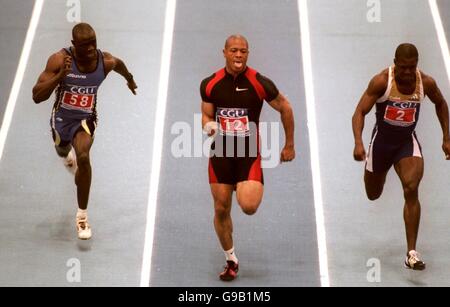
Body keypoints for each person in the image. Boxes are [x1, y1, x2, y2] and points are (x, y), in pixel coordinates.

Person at [200, 34, 295, 281]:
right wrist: (209, 126)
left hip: (248, 155)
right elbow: (206, 115)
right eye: (234, 50)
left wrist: (289, 144)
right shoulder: (210, 84)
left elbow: (285, 107)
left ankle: (241, 186)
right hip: (221, 153)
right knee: (221, 209)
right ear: (224, 53)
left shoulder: (259, 82)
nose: (239, 55)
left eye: (243, 51)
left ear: (248, 54)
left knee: (249, 206)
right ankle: (231, 259)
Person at [32, 23, 137, 240]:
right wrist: (60, 76)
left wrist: (130, 79)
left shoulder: (105, 62)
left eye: (93, 44)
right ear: (73, 45)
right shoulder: (60, 60)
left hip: (85, 119)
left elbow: (120, 65)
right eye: (84, 46)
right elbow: (37, 96)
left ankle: (81, 216)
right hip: (61, 119)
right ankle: (65, 155)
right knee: (62, 150)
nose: (90, 49)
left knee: (83, 156)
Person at [352, 43, 450, 270]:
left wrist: (446, 137)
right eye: (403, 67)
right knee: (373, 194)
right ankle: (379, 171)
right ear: (395, 63)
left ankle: (411, 253)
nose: (407, 72)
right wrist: (358, 142)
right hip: (381, 145)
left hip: (406, 143)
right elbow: (359, 112)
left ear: (417, 64)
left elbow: (441, 104)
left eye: (412, 67)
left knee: (411, 187)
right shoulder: (381, 81)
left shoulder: (425, 83)